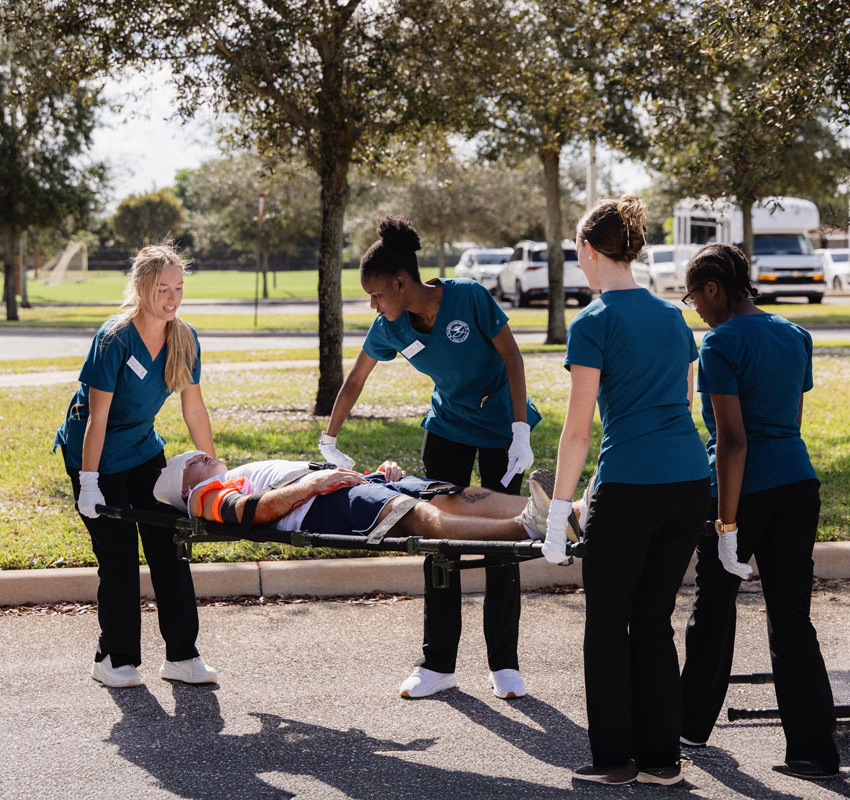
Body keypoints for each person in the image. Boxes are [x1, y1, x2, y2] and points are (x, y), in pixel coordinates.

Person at [320, 216, 541, 701]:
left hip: (503, 428)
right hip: (446, 430)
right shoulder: (390, 327)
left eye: (376, 295)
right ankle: (438, 664)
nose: (372, 305)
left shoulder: (468, 298)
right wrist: (328, 437)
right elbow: (356, 379)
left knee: (505, 537)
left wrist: (520, 431)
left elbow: (512, 358)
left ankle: (504, 663)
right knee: (438, 536)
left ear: (401, 282)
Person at [538, 196, 710, 786]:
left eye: (578, 254)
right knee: (654, 620)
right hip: (689, 483)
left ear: (588, 250)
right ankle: (663, 760)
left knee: (609, 625)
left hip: (631, 488)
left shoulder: (593, 321)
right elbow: (680, 405)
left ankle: (614, 760)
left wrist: (559, 514)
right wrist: (593, 487)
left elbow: (579, 429)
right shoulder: (672, 318)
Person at [677, 244, 840, 781]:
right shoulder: (796, 334)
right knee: (792, 617)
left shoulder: (721, 341)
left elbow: (733, 440)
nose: (695, 308)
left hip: (742, 489)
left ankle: (690, 728)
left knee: (714, 609)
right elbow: (788, 422)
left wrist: (726, 524)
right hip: (799, 481)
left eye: (694, 295)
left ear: (714, 288)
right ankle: (813, 752)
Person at [53, 243, 219, 689]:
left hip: (144, 451)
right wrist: (89, 483)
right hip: (97, 456)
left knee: (168, 547)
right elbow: (96, 417)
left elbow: (194, 409)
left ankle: (183, 655)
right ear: (142, 287)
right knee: (120, 556)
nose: (172, 297)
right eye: (162, 288)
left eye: (178, 287)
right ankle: (114, 658)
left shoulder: (184, 337)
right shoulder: (114, 338)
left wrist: (216, 468)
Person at [152, 451, 583, 542]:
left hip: (343, 485)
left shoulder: (224, 476)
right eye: (191, 461)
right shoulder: (202, 498)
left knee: (450, 493)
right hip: (317, 506)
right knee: (412, 514)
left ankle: (570, 511)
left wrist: (372, 476)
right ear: (185, 487)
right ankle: (526, 527)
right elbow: (253, 513)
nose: (201, 455)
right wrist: (313, 487)